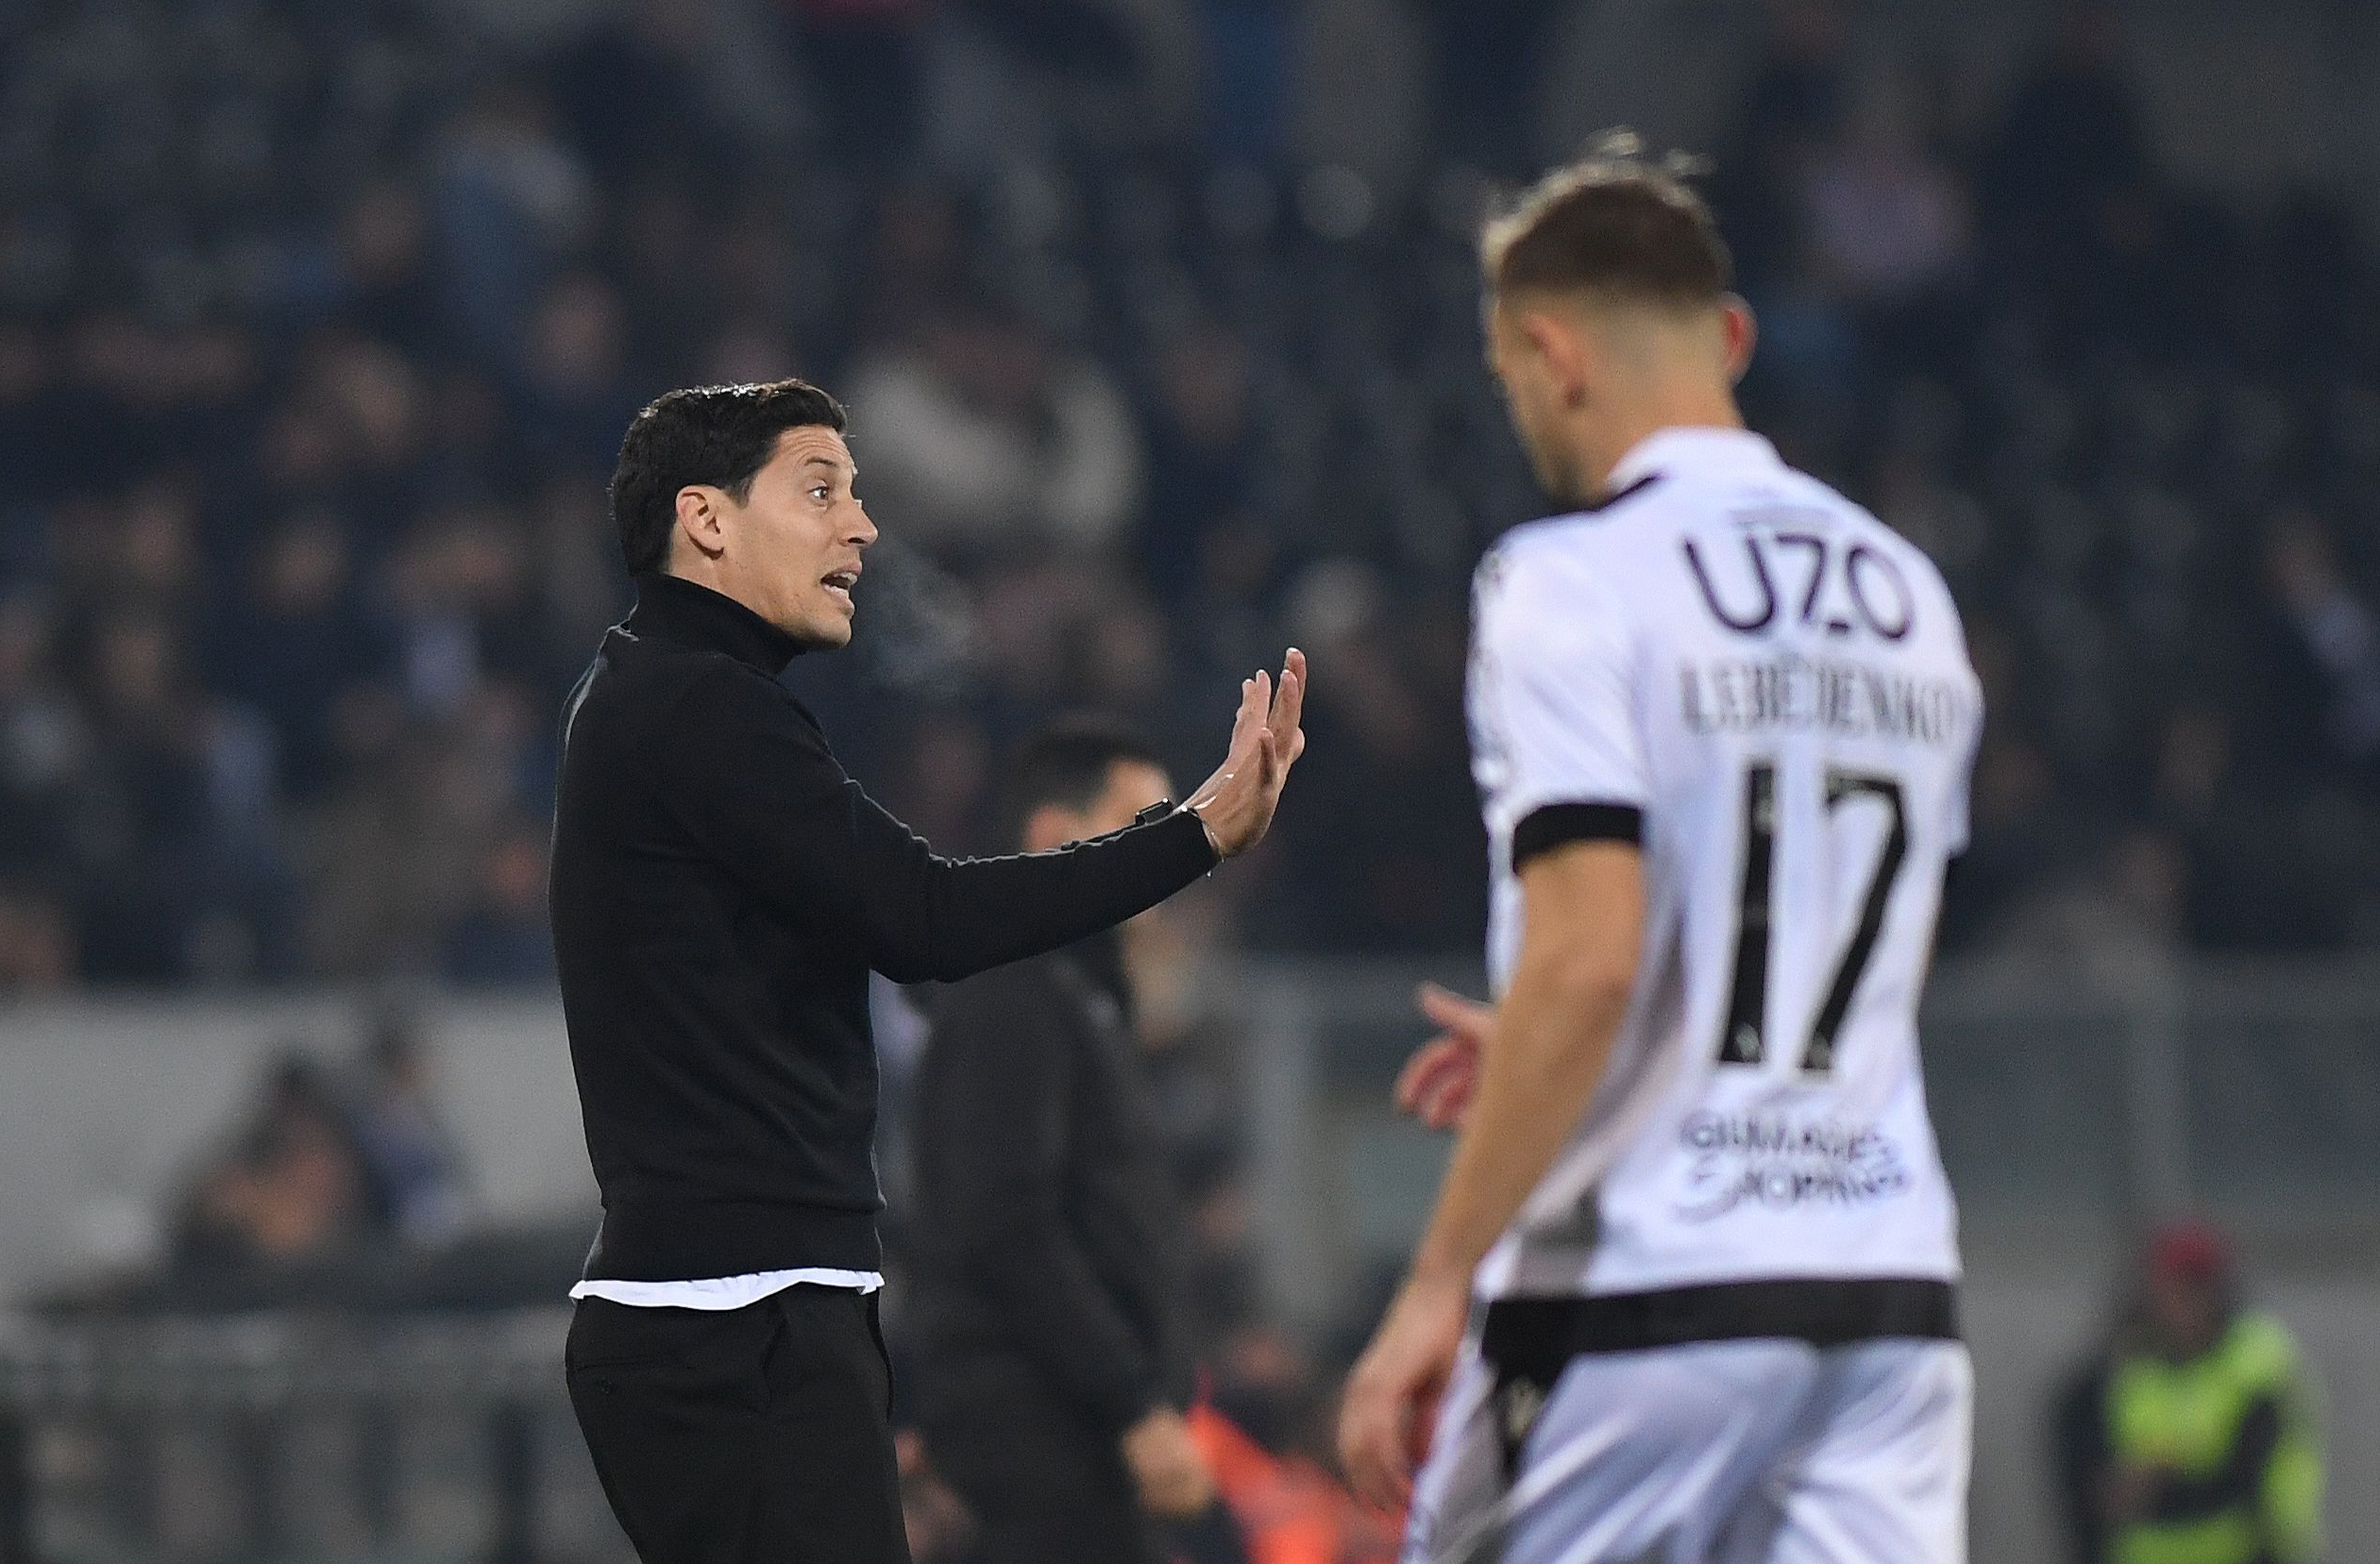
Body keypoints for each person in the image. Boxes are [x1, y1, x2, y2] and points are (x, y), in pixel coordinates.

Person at [1334, 136, 1984, 1564]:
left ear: (1550, 353)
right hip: (1885, 1293)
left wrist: (1436, 1281)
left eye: (1509, 375)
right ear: (1732, 336)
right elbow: (1843, 949)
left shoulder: (1567, 582)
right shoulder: (1910, 596)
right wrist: (1576, 1046)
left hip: (1647, 1289)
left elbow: (1589, 961)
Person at [549, 378, 1306, 1564]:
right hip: (735, 1317)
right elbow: (927, 916)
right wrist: (1193, 834)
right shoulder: (696, 704)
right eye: (820, 491)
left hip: (743, 1309)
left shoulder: (662, 698)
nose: (861, 525)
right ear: (705, 517)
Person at [907, 718, 1237, 1564]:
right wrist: (1132, 1406)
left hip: (1077, 1440)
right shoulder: (1014, 988)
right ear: (1054, 835)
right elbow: (1007, 1222)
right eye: (1143, 824)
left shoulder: (1076, 995)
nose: (1168, 856)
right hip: (1040, 1435)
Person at [2051, 1221, 2322, 1564]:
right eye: (2174, 1289)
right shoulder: (2121, 1364)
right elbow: (2080, 1465)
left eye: (2197, 1288)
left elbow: (2249, 1483)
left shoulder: (2257, 1363)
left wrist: (2157, 1484)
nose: (2185, 1304)